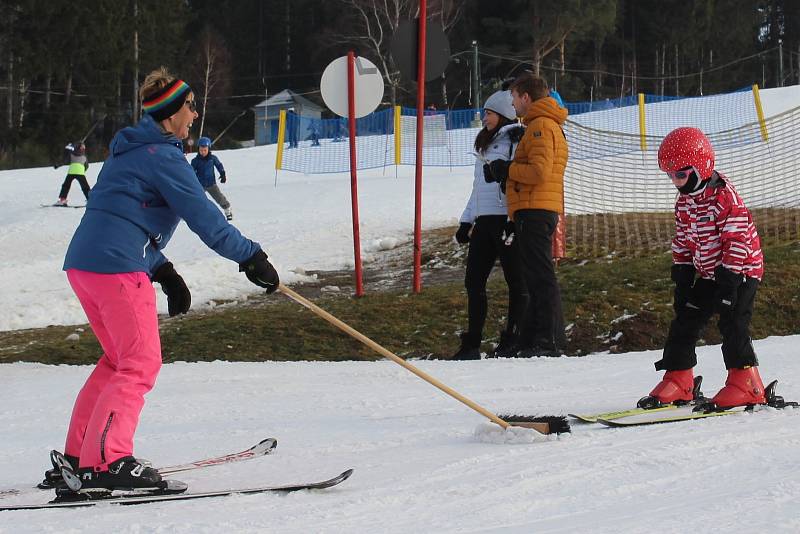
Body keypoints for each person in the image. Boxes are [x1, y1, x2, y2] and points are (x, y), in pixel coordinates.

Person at [47, 67, 280, 493]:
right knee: (139, 363)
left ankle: (81, 457)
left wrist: (163, 270)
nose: (194, 115)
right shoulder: (164, 157)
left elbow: (120, 216)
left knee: (118, 361)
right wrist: (251, 256)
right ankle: (108, 461)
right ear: (171, 113)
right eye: (190, 106)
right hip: (117, 267)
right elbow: (205, 218)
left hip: (86, 262)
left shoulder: (128, 152)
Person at [638, 127, 768, 410]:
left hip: (740, 272)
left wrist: (730, 282)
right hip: (711, 273)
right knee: (686, 318)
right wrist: (683, 276)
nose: (675, 181)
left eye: (680, 174)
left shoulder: (725, 198)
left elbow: (736, 241)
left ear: (701, 167)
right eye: (670, 175)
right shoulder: (685, 202)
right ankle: (679, 377)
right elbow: (683, 239)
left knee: (732, 321)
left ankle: (747, 383)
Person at [483, 73, 568, 358]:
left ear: (526, 97)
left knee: (540, 276)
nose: (513, 105)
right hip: (531, 208)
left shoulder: (541, 126)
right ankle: (530, 338)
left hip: (536, 210)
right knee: (533, 276)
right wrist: (502, 169)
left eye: (514, 98)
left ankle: (549, 339)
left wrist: (506, 169)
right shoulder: (539, 126)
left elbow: (539, 172)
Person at [452, 90, 527, 360]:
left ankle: (513, 337)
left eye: (489, 113)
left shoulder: (515, 141)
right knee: (473, 281)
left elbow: (516, 185)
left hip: (505, 220)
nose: (484, 118)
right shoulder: (484, 144)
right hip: (484, 222)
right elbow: (477, 188)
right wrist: (466, 220)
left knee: (516, 281)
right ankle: (472, 342)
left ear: (504, 114)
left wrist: (511, 220)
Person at [191, 136, 233, 220]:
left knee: (219, 198)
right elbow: (191, 171)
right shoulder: (195, 161)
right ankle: (191, 213)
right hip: (200, 184)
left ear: (208, 149)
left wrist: (222, 174)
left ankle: (227, 210)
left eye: (205, 150)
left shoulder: (212, 158)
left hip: (211, 184)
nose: (203, 152)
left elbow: (219, 165)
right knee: (195, 198)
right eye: (201, 150)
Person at [54, 141, 90, 206]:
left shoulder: (72, 155)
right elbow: (87, 166)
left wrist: (57, 165)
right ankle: (90, 200)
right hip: (80, 173)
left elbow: (64, 161)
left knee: (66, 186)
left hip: (71, 172)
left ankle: (62, 200)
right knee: (85, 187)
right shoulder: (84, 157)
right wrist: (83, 170)